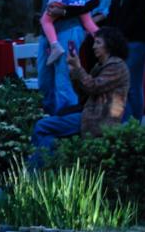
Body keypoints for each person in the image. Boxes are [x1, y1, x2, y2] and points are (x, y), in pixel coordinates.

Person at [6, 0, 88, 115]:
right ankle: (50, 125)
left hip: (68, 30)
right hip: (47, 35)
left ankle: (67, 131)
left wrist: (65, 10)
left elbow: (91, 1)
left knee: (64, 82)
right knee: (45, 81)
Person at [31, 27, 130, 162]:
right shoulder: (100, 66)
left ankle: (37, 171)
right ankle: (47, 164)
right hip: (88, 114)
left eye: (98, 43)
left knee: (42, 127)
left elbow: (93, 87)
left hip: (99, 119)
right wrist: (73, 71)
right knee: (45, 130)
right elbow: (83, 94)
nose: (94, 47)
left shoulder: (117, 66)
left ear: (110, 44)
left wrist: (78, 68)